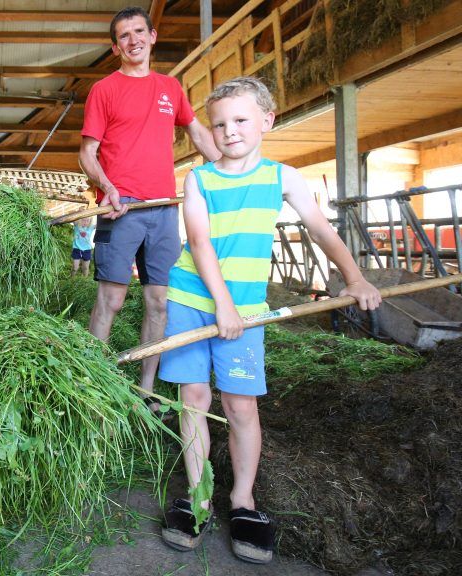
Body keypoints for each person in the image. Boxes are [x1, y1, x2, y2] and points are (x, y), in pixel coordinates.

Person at [157, 76, 382, 564]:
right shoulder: (199, 179)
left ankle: (243, 500)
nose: (229, 131)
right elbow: (199, 242)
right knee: (193, 398)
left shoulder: (283, 178)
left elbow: (320, 229)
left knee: (240, 405)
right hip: (193, 297)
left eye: (240, 120)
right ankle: (197, 497)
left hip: (246, 308)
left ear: (267, 120)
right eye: (218, 124)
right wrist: (222, 305)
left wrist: (355, 278)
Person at [80, 6, 221, 414]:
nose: (133, 40)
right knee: (112, 300)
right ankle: (92, 383)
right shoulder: (104, 90)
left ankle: (146, 391)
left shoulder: (170, 88)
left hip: (163, 210)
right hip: (121, 209)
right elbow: (88, 153)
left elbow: (196, 131)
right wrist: (107, 187)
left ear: (153, 36)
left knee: (159, 302)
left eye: (139, 32)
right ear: (115, 46)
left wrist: (226, 171)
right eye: (124, 36)